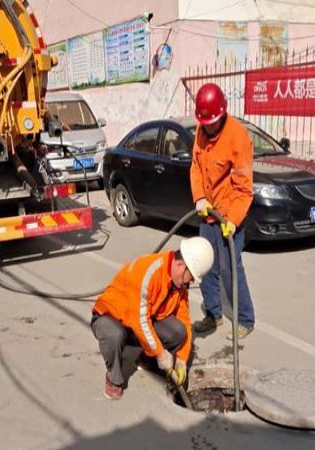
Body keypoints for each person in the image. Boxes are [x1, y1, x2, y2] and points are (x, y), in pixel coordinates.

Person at [91, 237, 214, 400]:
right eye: (191, 277)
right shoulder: (148, 272)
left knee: (178, 331)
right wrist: (161, 353)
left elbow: (184, 319)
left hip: (139, 323)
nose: (191, 282)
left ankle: (144, 358)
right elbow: (140, 321)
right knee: (114, 334)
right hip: (111, 318)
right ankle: (113, 378)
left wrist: (182, 360)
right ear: (180, 265)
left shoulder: (179, 284)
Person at [190, 82, 255, 341]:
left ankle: (246, 319)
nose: (208, 127)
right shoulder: (201, 131)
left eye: (212, 123)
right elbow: (195, 166)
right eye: (204, 123)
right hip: (208, 213)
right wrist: (199, 197)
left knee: (230, 268)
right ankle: (213, 314)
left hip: (229, 215)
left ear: (222, 114)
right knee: (204, 266)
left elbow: (244, 189)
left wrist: (233, 220)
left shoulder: (237, 137)